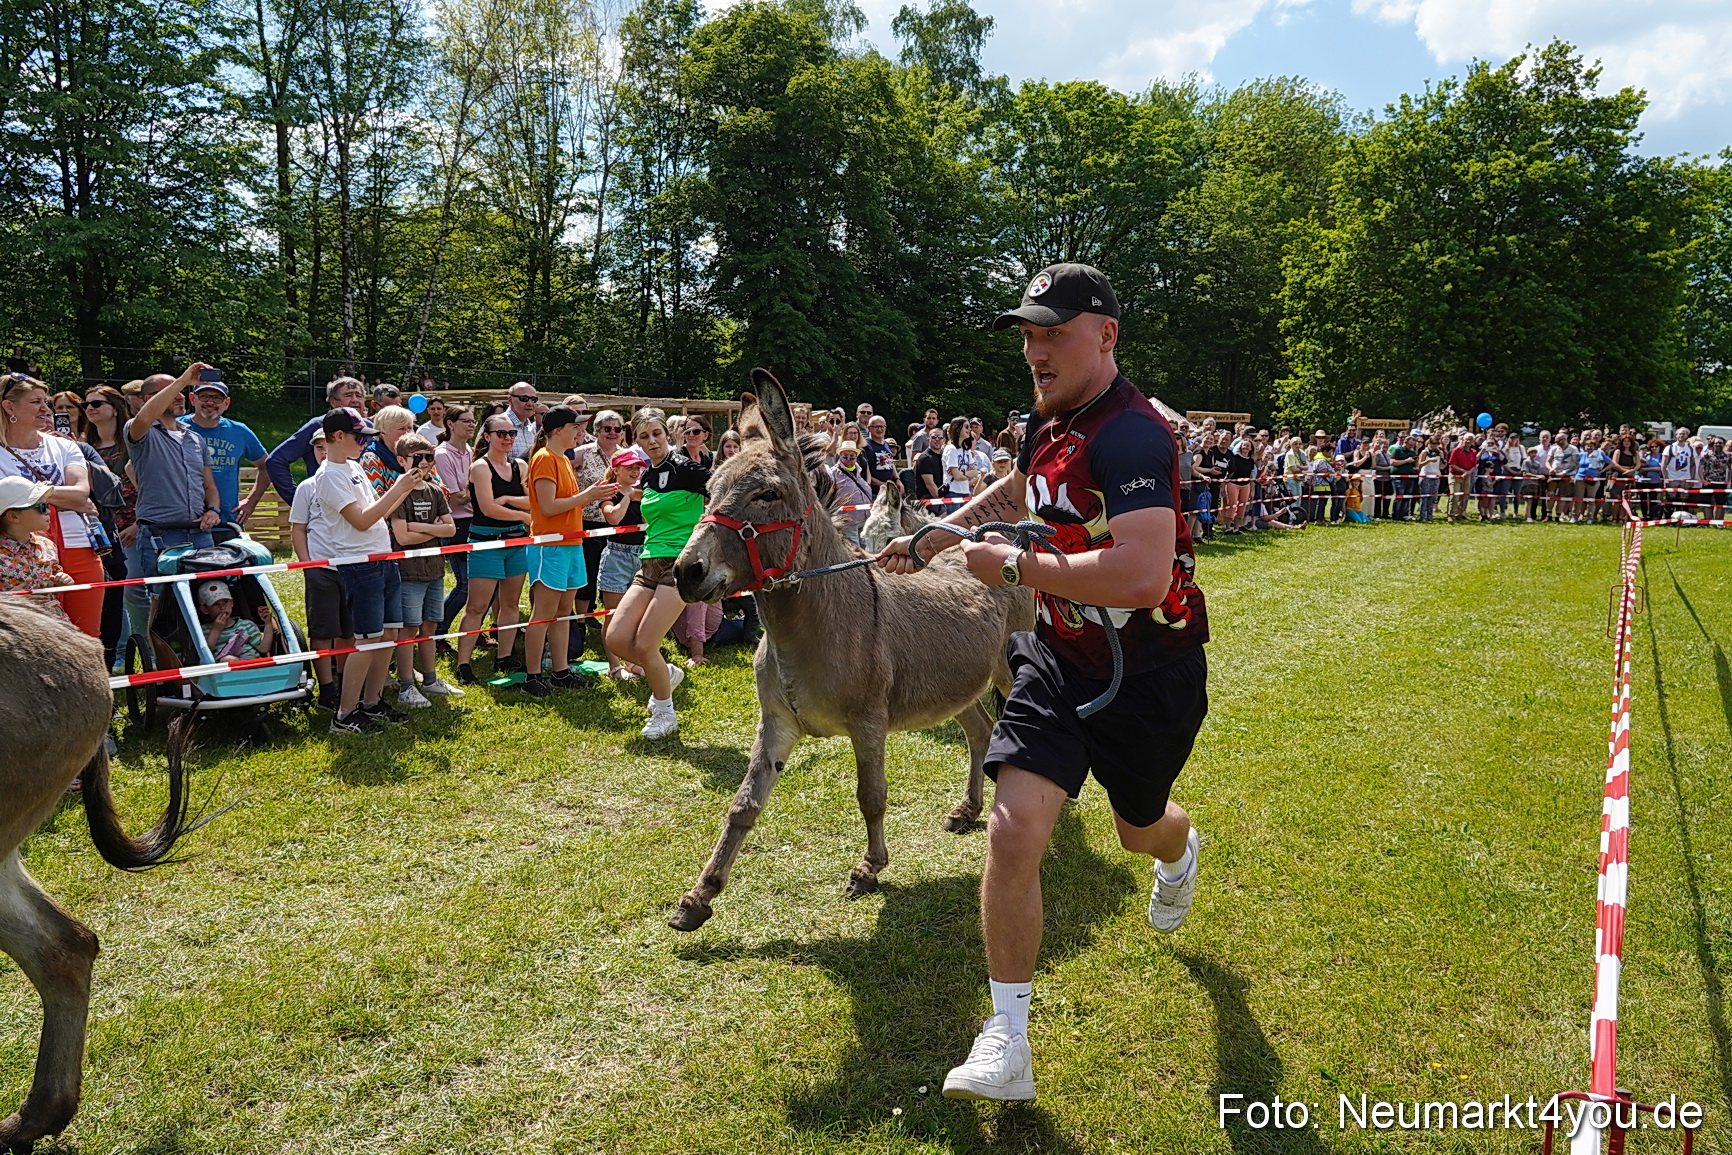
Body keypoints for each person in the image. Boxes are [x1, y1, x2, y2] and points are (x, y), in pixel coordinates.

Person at [879, 263, 1208, 1105]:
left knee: (1140, 831)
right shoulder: (1048, 421)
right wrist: (938, 534)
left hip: (1150, 673)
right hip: (1058, 658)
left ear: (1106, 335)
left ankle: (1178, 847)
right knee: (1013, 829)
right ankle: (1008, 1041)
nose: (1034, 348)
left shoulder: (1133, 434)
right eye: (1027, 332)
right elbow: (1023, 489)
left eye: (1052, 331)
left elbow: (1141, 573)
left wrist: (1016, 563)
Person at [310, 407, 428, 734]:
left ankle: (372, 703)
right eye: (360, 437)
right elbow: (361, 520)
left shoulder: (353, 467)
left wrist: (406, 486)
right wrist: (399, 486)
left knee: (388, 635)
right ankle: (344, 715)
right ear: (338, 437)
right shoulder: (329, 477)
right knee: (366, 641)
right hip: (360, 565)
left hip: (382, 558)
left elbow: (380, 513)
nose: (366, 442)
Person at [602, 410, 708, 740]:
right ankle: (666, 672)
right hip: (648, 562)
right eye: (645, 436)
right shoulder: (646, 477)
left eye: (657, 434)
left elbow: (724, 495)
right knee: (616, 639)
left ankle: (665, 713)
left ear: (668, 435)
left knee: (646, 644)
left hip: (680, 564)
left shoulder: (689, 470)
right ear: (637, 442)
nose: (652, 441)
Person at [520, 407, 617, 697]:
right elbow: (548, 507)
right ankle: (532, 676)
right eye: (575, 427)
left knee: (564, 612)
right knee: (544, 613)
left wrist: (592, 493)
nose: (580, 433)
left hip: (571, 543)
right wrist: (587, 496)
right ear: (558, 430)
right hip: (550, 545)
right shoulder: (544, 459)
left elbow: (566, 502)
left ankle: (561, 671)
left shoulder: (561, 459)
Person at [455, 414, 534, 685]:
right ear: (486, 436)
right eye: (501, 433)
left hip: (514, 542)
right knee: (476, 606)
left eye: (511, 433)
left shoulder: (520, 465)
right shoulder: (480, 467)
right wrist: (521, 515)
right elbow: (488, 508)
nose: (508, 438)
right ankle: (462, 664)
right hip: (486, 541)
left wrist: (511, 501)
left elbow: (532, 502)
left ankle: (505, 655)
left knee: (511, 603)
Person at [387, 433, 461, 706]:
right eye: (418, 458)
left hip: (434, 570)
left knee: (429, 625)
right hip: (408, 572)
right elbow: (402, 537)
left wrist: (421, 528)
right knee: (409, 629)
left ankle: (429, 679)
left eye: (429, 457)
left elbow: (450, 529)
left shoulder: (434, 490)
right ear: (402, 460)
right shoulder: (399, 491)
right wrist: (433, 531)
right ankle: (407, 685)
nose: (425, 463)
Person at [288, 426, 344, 706]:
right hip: (321, 568)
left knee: (349, 630)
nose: (324, 452)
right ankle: (327, 688)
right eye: (319, 448)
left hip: (351, 565)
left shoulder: (351, 481)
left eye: (328, 446)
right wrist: (308, 564)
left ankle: (346, 682)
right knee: (322, 631)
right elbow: (299, 528)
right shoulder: (307, 487)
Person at [178, 376, 270, 525]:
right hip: (183, 522)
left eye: (217, 398)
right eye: (204, 396)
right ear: (192, 399)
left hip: (226, 521)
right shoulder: (177, 428)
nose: (210, 402)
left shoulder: (239, 431)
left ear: (226, 403)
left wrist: (251, 501)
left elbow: (267, 465)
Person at [264, 375, 367, 502]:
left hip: (363, 507)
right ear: (332, 402)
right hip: (325, 507)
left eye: (359, 396)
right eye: (348, 395)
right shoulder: (318, 425)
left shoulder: (371, 428)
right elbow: (276, 461)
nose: (355, 400)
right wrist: (298, 500)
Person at [596, 446, 648, 679]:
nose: (635, 471)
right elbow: (613, 518)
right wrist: (628, 496)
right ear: (616, 470)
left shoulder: (644, 492)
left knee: (636, 615)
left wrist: (643, 500)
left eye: (638, 467)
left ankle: (632, 661)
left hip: (641, 554)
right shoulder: (608, 492)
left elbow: (650, 522)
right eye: (630, 467)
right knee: (613, 614)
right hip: (616, 555)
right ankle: (614, 666)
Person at [0, 475, 73, 623]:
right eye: (41, 507)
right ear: (14, 516)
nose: (48, 512)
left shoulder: (47, 545)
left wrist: (62, 582)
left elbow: (51, 579)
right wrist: (6, 601)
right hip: (13, 629)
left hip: (54, 623)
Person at [433, 405, 477, 641]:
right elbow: (454, 498)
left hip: (475, 520)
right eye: (466, 421)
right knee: (465, 586)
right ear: (450, 424)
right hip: (455, 523)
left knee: (480, 585)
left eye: (473, 421)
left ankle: (473, 631)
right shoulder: (441, 454)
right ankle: (437, 632)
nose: (471, 425)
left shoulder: (470, 450)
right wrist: (481, 488)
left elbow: (464, 493)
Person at [195, 579, 276, 660]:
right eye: (215, 604)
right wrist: (216, 629)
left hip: (252, 665)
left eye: (225, 601)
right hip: (226, 669)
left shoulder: (247, 625)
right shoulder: (204, 630)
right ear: (205, 609)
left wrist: (268, 623)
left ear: (232, 603)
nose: (222, 607)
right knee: (228, 659)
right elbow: (205, 653)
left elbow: (264, 648)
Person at [828, 441, 873, 546]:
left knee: (866, 548)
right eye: (845, 456)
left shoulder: (859, 471)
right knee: (854, 550)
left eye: (851, 457)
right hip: (848, 521)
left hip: (865, 518)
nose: (848, 459)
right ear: (840, 456)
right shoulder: (832, 473)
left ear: (856, 457)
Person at [505, 381, 543, 461]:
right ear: (510, 400)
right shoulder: (497, 425)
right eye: (524, 399)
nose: (530, 403)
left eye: (533, 399)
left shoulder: (531, 428)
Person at [861, 415, 898, 494]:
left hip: (889, 489)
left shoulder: (886, 444)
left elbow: (890, 463)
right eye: (876, 427)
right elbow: (864, 471)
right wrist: (881, 484)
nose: (879, 429)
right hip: (874, 491)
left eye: (882, 427)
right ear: (869, 428)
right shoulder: (865, 445)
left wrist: (897, 480)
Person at [1446, 434, 1477, 522]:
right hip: (1455, 476)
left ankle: (1461, 514)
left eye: (1470, 440)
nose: (1468, 441)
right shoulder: (1456, 450)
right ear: (1463, 440)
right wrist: (1463, 471)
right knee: (1454, 495)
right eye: (1467, 439)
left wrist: (1468, 473)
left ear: (1473, 442)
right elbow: (1452, 464)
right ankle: (1451, 515)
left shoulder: (1474, 452)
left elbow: (1474, 466)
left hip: (1467, 477)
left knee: (1464, 496)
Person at [914, 424, 947, 499]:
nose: (937, 439)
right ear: (929, 439)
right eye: (934, 437)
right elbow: (930, 484)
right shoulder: (924, 458)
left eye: (940, 437)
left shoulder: (945, 457)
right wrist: (940, 500)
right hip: (929, 499)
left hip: (944, 496)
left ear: (944, 440)